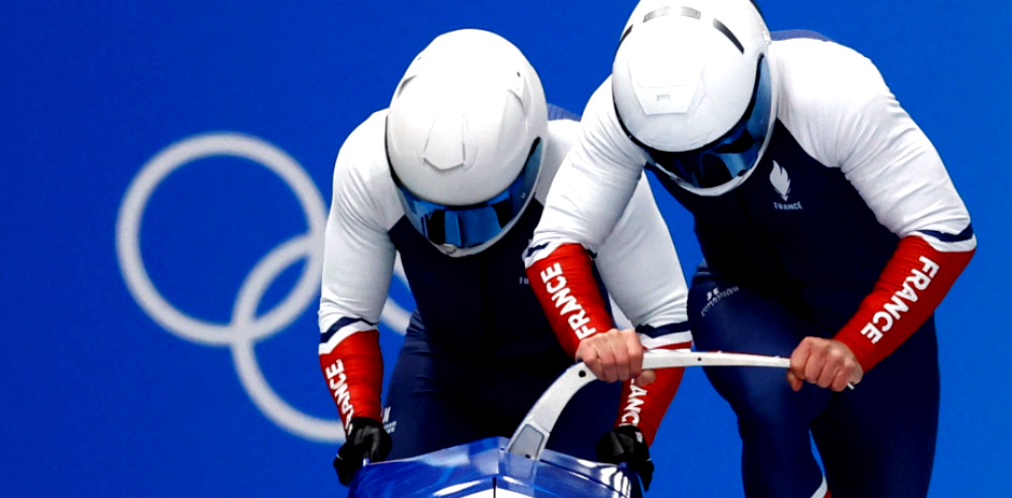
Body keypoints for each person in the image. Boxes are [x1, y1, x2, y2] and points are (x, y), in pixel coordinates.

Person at [524, 1, 976, 497]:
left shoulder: (837, 91)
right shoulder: (616, 111)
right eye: (683, 163)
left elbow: (943, 232)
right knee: (770, 398)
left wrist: (855, 345)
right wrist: (591, 333)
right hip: (741, 295)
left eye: (730, 144)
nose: (713, 172)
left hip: (871, 307)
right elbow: (557, 240)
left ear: (764, 80)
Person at [317, 28, 693, 489]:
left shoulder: (587, 166)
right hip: (442, 376)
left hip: (573, 381)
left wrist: (633, 427)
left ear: (530, 166)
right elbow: (347, 312)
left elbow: (664, 314)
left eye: (480, 217)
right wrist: (361, 419)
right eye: (430, 215)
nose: (455, 240)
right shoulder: (365, 166)